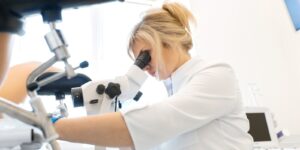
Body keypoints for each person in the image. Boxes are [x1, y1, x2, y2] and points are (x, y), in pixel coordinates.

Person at [53, 2, 254, 150]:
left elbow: (153, 122)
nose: (143, 67)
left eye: (145, 55)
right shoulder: (178, 89)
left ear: (169, 41)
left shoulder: (217, 74)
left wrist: (51, 126)